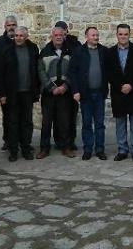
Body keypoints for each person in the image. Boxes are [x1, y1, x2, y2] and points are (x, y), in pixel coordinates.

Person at [0, 26, 39, 161]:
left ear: (26, 36)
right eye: (16, 36)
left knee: (27, 122)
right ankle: (13, 151)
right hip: (12, 93)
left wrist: (36, 91)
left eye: (21, 36)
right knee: (13, 122)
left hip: (27, 92)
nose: (18, 38)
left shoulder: (33, 49)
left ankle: (26, 148)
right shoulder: (6, 51)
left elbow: (36, 70)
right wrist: (2, 94)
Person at [104, 23, 133, 163]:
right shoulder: (110, 52)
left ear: (129, 35)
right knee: (120, 123)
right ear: (117, 35)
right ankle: (122, 150)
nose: (123, 37)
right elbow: (108, 72)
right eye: (120, 34)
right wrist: (120, 85)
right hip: (118, 92)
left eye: (126, 34)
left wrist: (131, 85)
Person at [37, 26, 76, 158]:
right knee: (46, 123)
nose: (59, 37)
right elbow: (41, 71)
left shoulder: (70, 51)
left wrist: (66, 86)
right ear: (52, 36)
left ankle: (66, 147)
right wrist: (51, 88)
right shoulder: (45, 51)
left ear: (64, 36)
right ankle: (44, 148)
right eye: (56, 35)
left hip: (65, 92)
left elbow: (73, 70)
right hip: (49, 93)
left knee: (65, 122)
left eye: (61, 35)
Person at [70, 26, 108, 160]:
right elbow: (72, 72)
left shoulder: (104, 51)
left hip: (100, 93)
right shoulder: (79, 51)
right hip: (85, 93)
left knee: (99, 124)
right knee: (86, 123)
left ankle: (100, 149)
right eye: (93, 35)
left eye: (97, 35)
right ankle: (87, 149)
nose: (96, 37)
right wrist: (75, 91)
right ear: (86, 36)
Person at [54, 20, 81, 151]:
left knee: (71, 115)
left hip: (72, 85)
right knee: (58, 116)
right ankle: (58, 140)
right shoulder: (53, 45)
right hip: (57, 86)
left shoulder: (75, 44)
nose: (61, 36)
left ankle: (70, 141)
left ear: (66, 32)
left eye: (63, 33)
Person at [0, 15, 17, 150]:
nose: (11, 27)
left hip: (20, 87)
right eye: (9, 25)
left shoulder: (22, 40)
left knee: (21, 116)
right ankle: (8, 140)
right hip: (6, 88)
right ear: (5, 26)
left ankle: (21, 140)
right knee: (7, 116)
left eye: (13, 25)